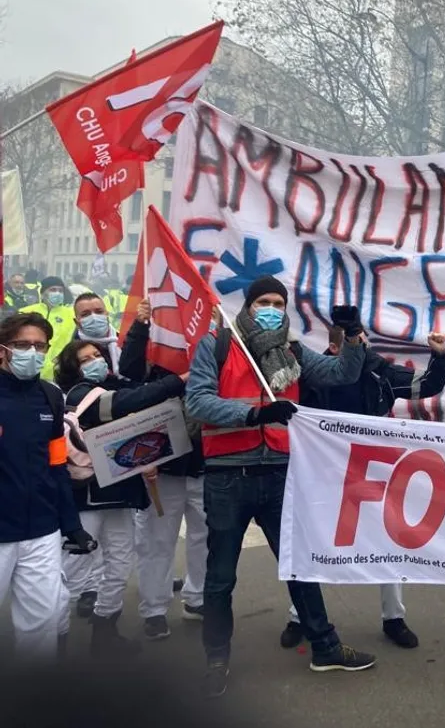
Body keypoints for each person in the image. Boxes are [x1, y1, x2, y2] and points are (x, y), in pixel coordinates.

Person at [185, 276, 373, 698]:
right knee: (219, 578)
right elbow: (196, 401)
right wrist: (257, 413)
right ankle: (216, 658)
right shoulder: (217, 344)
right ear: (248, 306)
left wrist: (354, 337)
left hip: (280, 471)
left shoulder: (290, 348)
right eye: (263, 301)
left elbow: (340, 373)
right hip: (228, 476)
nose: (271, 308)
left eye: (278, 302)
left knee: (299, 566)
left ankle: (324, 648)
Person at [282, 322, 445, 651]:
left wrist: (439, 355)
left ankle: (393, 618)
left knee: (387, 539)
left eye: (362, 341)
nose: (362, 346)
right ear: (335, 349)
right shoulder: (314, 374)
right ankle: (298, 616)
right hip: (324, 473)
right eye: (353, 342)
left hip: (374, 471)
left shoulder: (379, 372)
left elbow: (426, 385)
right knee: (311, 538)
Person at [54, 340, 186, 656]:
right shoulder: (79, 394)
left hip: (120, 494)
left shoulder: (113, 387)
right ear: (74, 368)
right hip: (87, 496)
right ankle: (54, 639)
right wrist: (178, 380)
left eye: (97, 355)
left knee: (119, 563)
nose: (94, 361)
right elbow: (127, 402)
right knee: (72, 568)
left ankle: (105, 630)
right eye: (84, 359)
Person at [0, 313, 95, 660]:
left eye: (39, 346)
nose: (32, 352)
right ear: (3, 351)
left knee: (40, 624)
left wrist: (72, 526)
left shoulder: (50, 397)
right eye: (22, 345)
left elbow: (57, 469)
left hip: (41, 531)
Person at [118, 299, 208, 641]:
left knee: (206, 537)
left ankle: (196, 598)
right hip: (161, 464)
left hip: (206, 462)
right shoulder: (158, 352)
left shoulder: (217, 345)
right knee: (157, 541)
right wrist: (142, 325)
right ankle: (154, 609)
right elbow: (129, 370)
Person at [19, 276, 75, 380]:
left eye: (60, 290)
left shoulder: (72, 315)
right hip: (26, 370)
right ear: (43, 292)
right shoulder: (25, 312)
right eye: (53, 290)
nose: (57, 293)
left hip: (57, 373)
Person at [72, 293, 123, 372]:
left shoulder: (125, 341)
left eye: (98, 312)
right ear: (76, 322)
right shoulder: (73, 354)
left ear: (107, 314)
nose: (94, 317)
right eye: (85, 314)